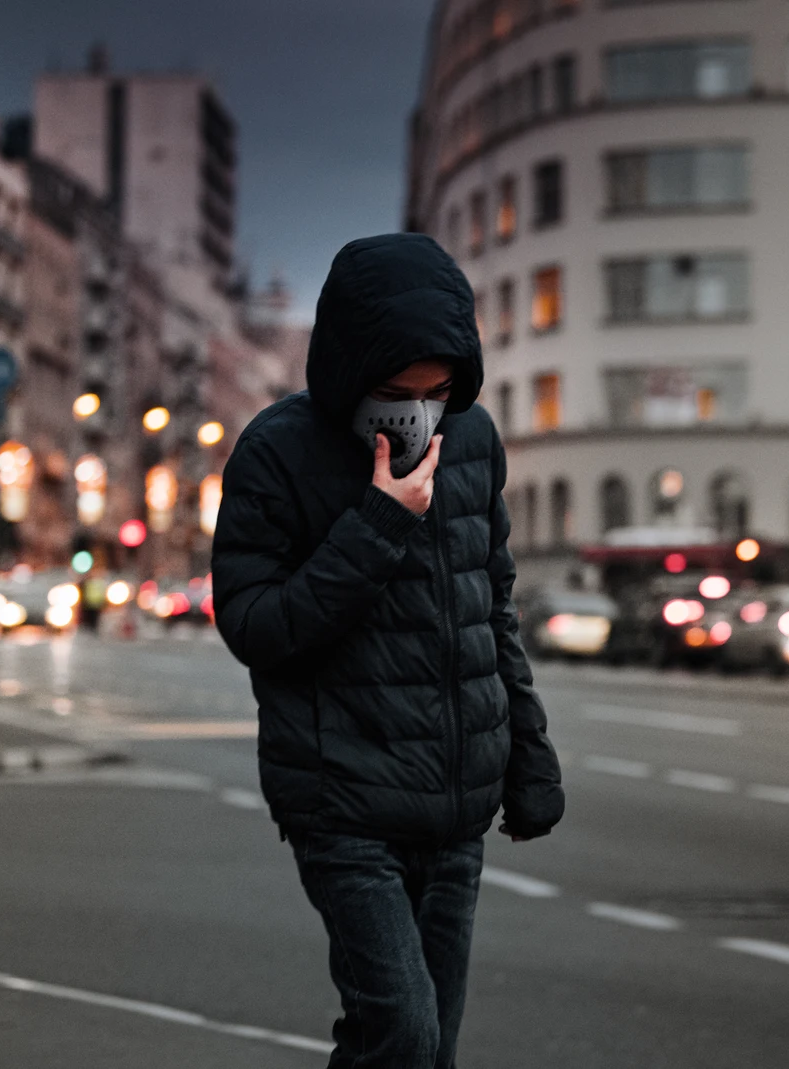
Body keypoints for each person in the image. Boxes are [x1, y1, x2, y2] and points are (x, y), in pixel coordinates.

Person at [211, 233, 564, 1069]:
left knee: (422, 1048)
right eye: (394, 393)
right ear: (346, 371)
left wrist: (530, 759)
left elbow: (492, 610)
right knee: (402, 1033)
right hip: (344, 804)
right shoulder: (278, 450)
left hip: (455, 807)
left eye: (436, 392)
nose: (416, 412)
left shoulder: (473, 442)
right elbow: (255, 625)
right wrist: (378, 520)